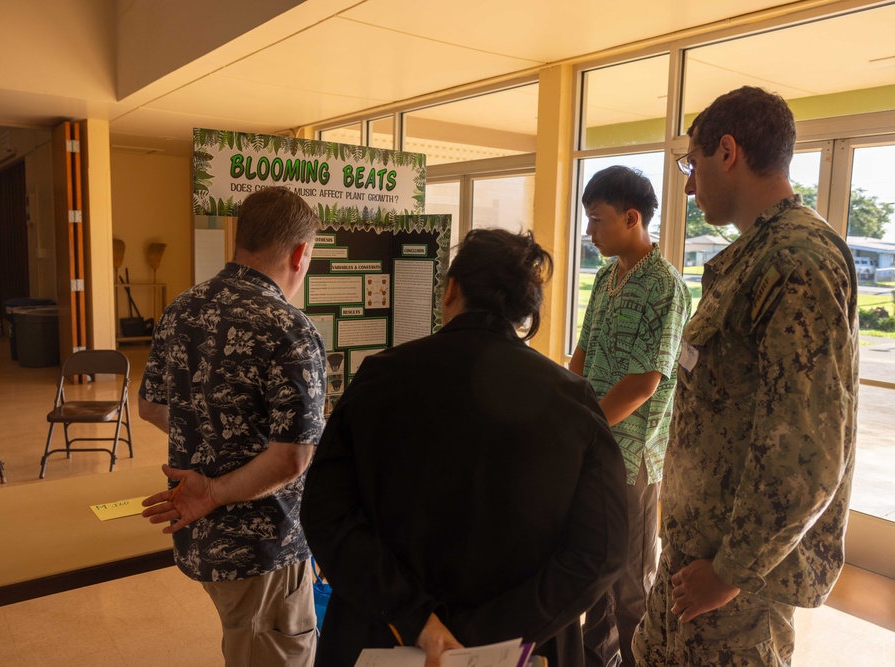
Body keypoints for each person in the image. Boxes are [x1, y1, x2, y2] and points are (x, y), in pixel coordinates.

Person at [300, 229, 629, 667]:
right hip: (523, 649)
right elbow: (602, 549)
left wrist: (417, 619)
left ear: (451, 288)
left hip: (383, 636)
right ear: (524, 308)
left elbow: (325, 512)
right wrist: (485, 637)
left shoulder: (380, 377)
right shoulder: (573, 399)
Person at [633, 86, 859, 666]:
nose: (687, 184)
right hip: (695, 561)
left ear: (727, 151)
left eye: (691, 162)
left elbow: (807, 454)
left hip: (734, 591)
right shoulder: (757, 256)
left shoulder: (795, 261)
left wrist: (730, 572)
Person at [139, 186, 326, 667]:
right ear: (301, 253)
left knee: (244, 643)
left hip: (199, 540)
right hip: (263, 546)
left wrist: (211, 445)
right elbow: (293, 456)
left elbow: (150, 405)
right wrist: (216, 490)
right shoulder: (287, 326)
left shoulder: (182, 308)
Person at [569, 166, 691, 667]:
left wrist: (584, 427)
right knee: (592, 567)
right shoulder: (604, 278)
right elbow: (582, 354)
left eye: (598, 221)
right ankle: (596, 659)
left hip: (632, 459)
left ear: (632, 217)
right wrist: (563, 408)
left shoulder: (666, 288)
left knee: (631, 581)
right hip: (591, 447)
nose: (591, 233)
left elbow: (644, 383)